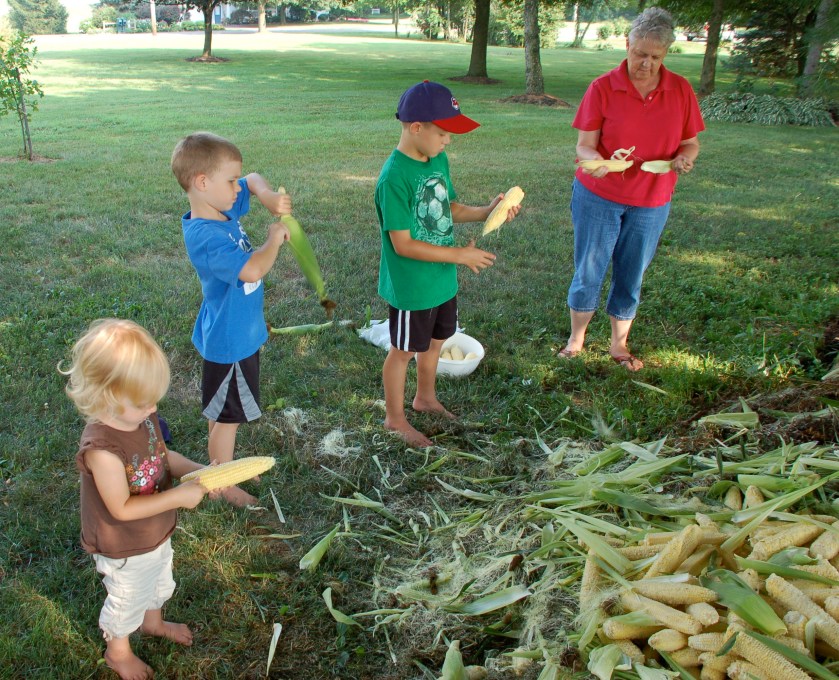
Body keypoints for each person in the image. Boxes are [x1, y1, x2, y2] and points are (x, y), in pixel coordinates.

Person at [62, 319, 214, 680]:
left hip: (153, 532)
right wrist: (177, 497)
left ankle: (154, 624)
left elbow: (163, 458)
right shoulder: (102, 449)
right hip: (124, 543)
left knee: (159, 582)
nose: (152, 409)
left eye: (154, 400)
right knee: (127, 598)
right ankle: (118, 652)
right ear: (109, 397)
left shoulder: (140, 416)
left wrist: (200, 470)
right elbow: (121, 507)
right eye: (145, 402)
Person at [559, 7, 704, 371]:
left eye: (655, 57)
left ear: (666, 54)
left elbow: (690, 142)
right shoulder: (603, 87)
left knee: (631, 272)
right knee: (589, 269)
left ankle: (619, 345)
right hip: (599, 195)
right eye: (640, 53)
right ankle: (576, 340)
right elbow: (584, 145)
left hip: (652, 200)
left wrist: (685, 157)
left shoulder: (680, 90)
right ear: (627, 45)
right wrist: (599, 162)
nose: (646, 63)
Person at [376, 80, 520, 447]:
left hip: (441, 279)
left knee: (438, 340)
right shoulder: (394, 177)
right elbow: (403, 244)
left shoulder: (436, 159)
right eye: (443, 132)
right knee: (404, 351)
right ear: (416, 127)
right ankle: (395, 418)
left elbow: (449, 208)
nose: (448, 140)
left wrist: (488, 211)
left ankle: (424, 397)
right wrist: (460, 255)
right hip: (413, 285)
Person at [171, 132, 292, 506]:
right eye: (229, 181)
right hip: (230, 341)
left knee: (222, 410)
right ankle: (220, 481)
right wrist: (273, 239)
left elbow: (252, 178)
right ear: (202, 183)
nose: (237, 188)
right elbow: (253, 269)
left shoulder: (220, 208)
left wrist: (268, 195)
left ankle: (218, 466)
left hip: (236, 333)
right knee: (228, 418)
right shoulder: (207, 237)